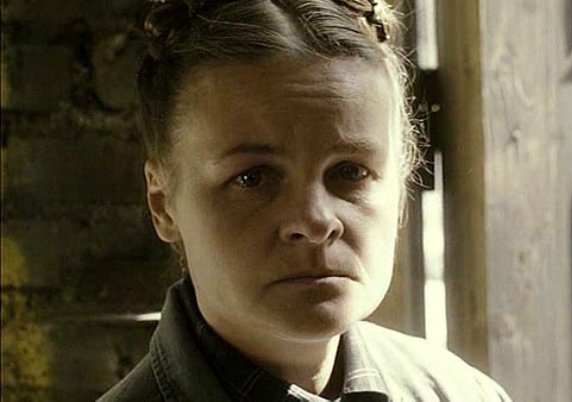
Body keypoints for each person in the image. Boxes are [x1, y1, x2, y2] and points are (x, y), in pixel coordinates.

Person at [99, 0, 511, 400]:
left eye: (350, 172)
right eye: (253, 178)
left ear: (401, 190)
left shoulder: (462, 393)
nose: (315, 221)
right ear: (162, 203)